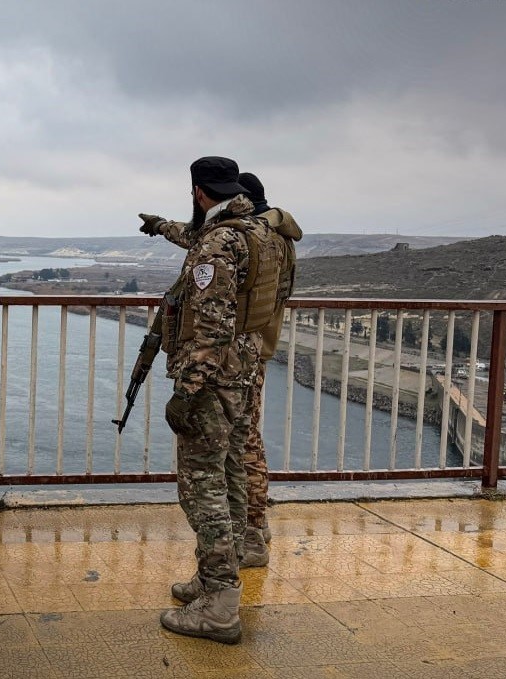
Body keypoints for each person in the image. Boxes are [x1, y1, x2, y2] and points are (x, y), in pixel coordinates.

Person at [147, 156, 287, 644]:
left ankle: (221, 604)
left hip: (212, 380)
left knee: (201, 487)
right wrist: (162, 226)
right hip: (244, 372)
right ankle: (213, 582)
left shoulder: (218, 242)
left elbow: (211, 324)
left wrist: (187, 391)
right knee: (230, 476)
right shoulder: (259, 232)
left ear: (198, 191)